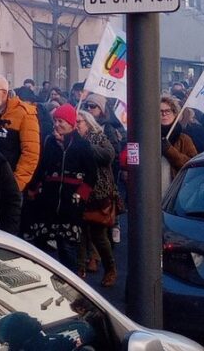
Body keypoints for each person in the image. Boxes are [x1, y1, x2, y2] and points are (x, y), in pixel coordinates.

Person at [25, 104, 96, 271]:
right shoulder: (50, 141)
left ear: (71, 123)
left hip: (70, 204)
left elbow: (91, 175)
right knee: (41, 245)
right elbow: (41, 167)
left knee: (67, 247)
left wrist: (80, 196)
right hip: (48, 201)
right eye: (55, 120)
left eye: (61, 121)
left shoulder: (82, 145)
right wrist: (33, 188)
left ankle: (70, 279)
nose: (57, 124)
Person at [0, 74, 41, 192]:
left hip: (10, 184)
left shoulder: (24, 114)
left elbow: (30, 154)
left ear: (4, 93)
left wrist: (15, 186)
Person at [75, 110, 117, 288]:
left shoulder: (98, 137)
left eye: (79, 122)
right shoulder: (71, 140)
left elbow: (109, 155)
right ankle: (79, 270)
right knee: (78, 233)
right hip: (77, 190)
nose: (76, 125)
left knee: (98, 235)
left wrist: (86, 146)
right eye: (74, 122)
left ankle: (110, 269)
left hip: (98, 192)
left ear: (88, 123)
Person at [160, 95, 198, 192]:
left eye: (168, 111)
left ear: (174, 114)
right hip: (151, 194)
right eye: (160, 111)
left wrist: (169, 150)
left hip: (176, 193)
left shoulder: (184, 139)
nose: (164, 114)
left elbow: (192, 165)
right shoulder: (148, 137)